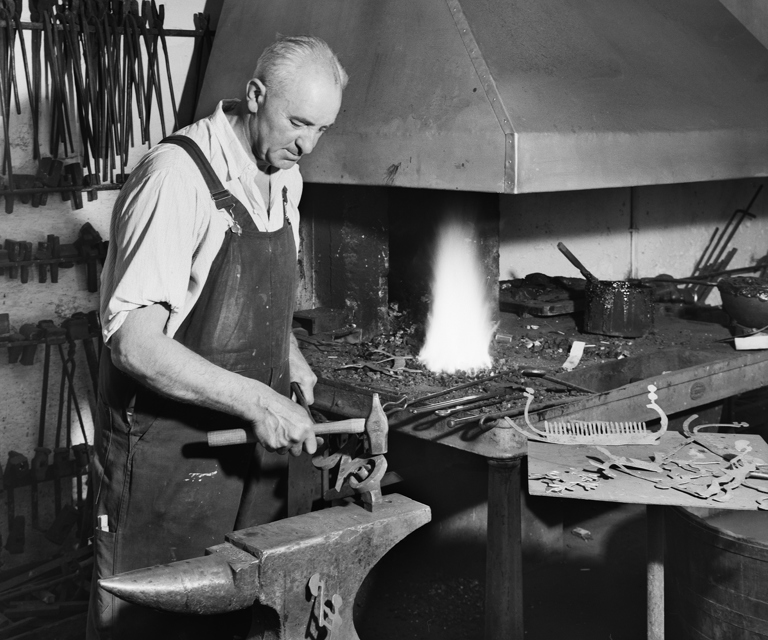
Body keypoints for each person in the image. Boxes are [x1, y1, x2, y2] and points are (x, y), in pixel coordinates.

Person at [86, 35, 348, 640]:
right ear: (255, 95)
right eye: (298, 122)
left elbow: (262, 294)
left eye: (323, 129)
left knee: (245, 619)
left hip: (251, 457)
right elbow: (133, 342)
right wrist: (259, 399)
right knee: (148, 627)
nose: (307, 144)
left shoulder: (286, 176)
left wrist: (291, 356)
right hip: (168, 460)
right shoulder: (177, 177)